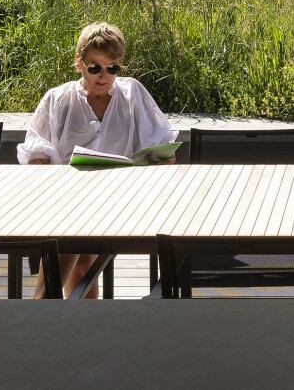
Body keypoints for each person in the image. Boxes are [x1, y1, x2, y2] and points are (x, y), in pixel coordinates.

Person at [18, 21, 176, 297]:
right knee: (75, 243)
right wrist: (50, 176)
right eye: (95, 68)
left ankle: (42, 305)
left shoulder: (132, 94)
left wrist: (160, 159)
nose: (104, 76)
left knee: (72, 234)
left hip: (121, 200)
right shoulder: (59, 99)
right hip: (67, 200)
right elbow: (37, 154)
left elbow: (164, 145)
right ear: (79, 64)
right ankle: (69, 314)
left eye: (112, 68)